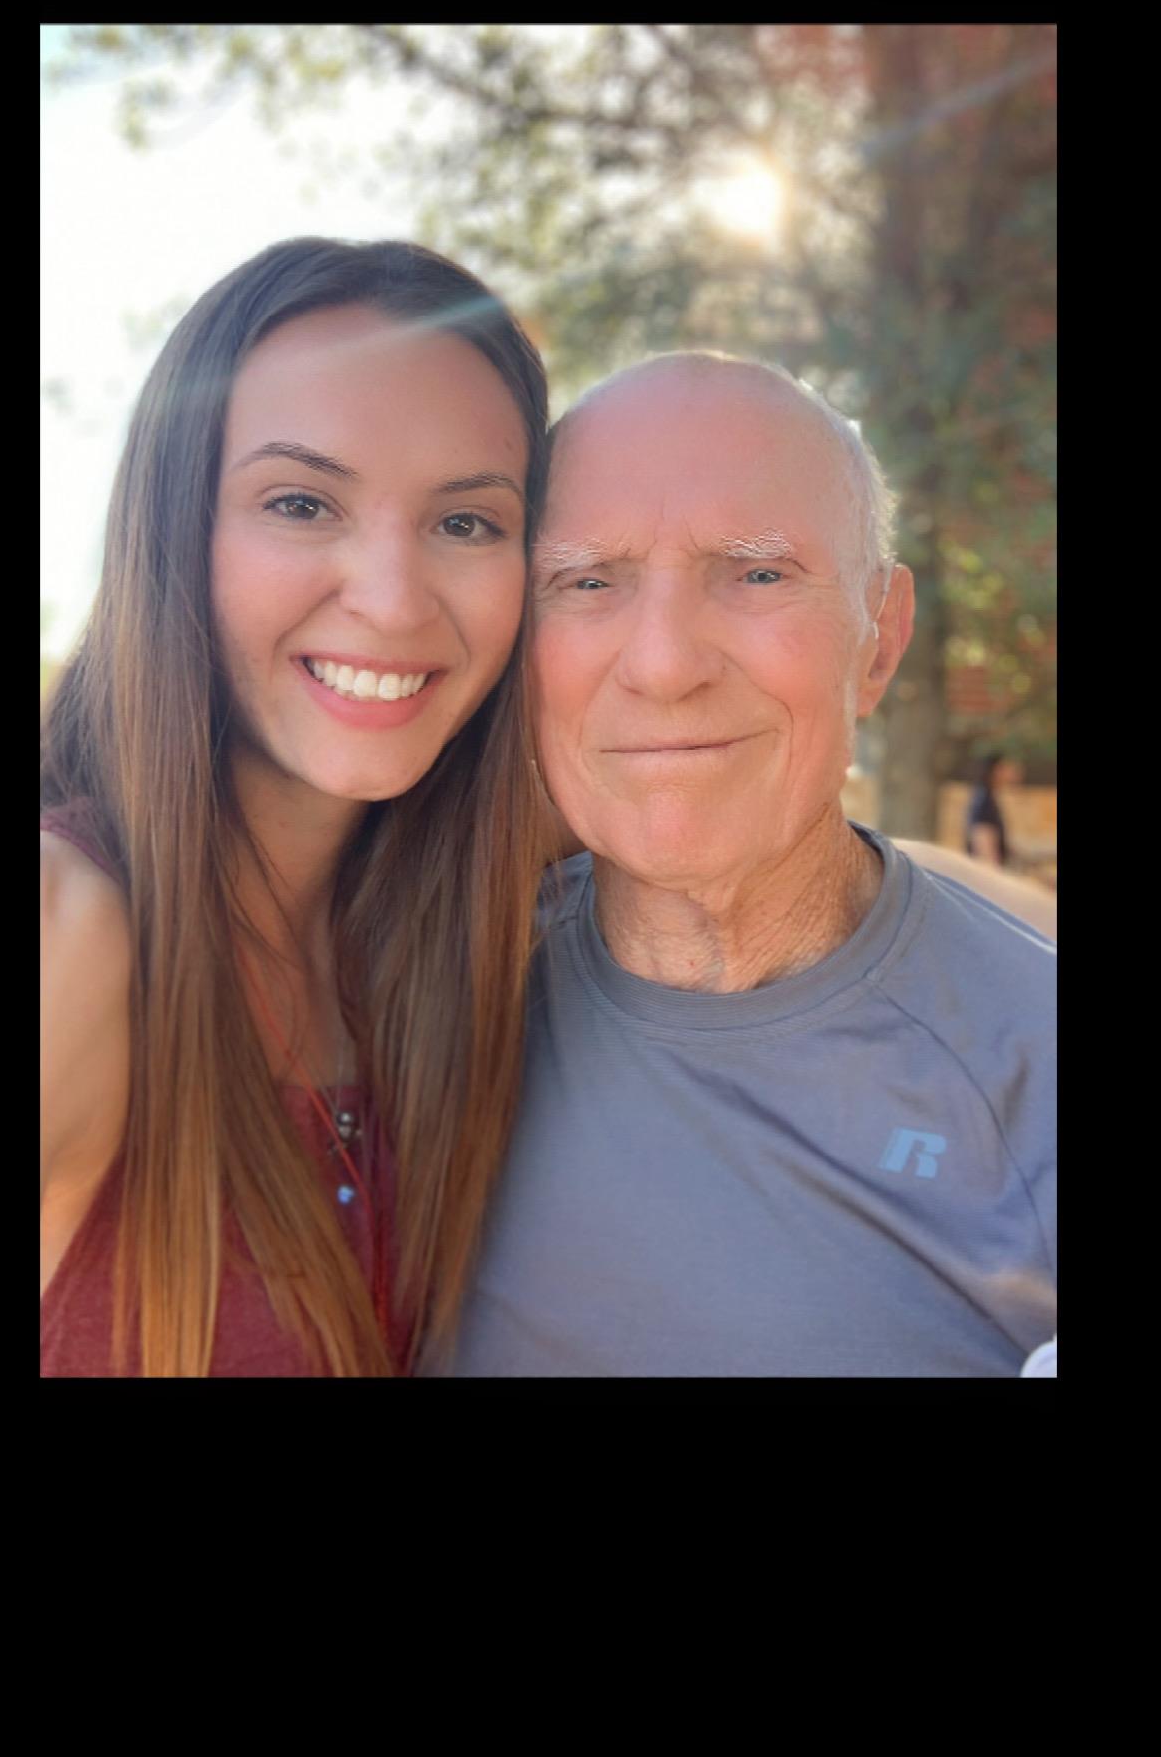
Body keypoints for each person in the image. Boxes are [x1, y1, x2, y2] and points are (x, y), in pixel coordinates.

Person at [433, 352, 1056, 1379]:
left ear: (880, 641)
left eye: (759, 573)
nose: (667, 663)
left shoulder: (1032, 1076)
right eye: (587, 582)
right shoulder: (408, 997)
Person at [41, 238, 550, 1377]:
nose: (390, 599)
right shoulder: (67, 931)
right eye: (302, 501)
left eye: (466, 522)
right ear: (177, 529)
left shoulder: (467, 930)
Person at [964, 749, 1021, 867]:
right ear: (996, 770)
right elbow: (986, 852)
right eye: (1009, 767)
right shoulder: (984, 801)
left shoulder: (988, 797)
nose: (1015, 771)